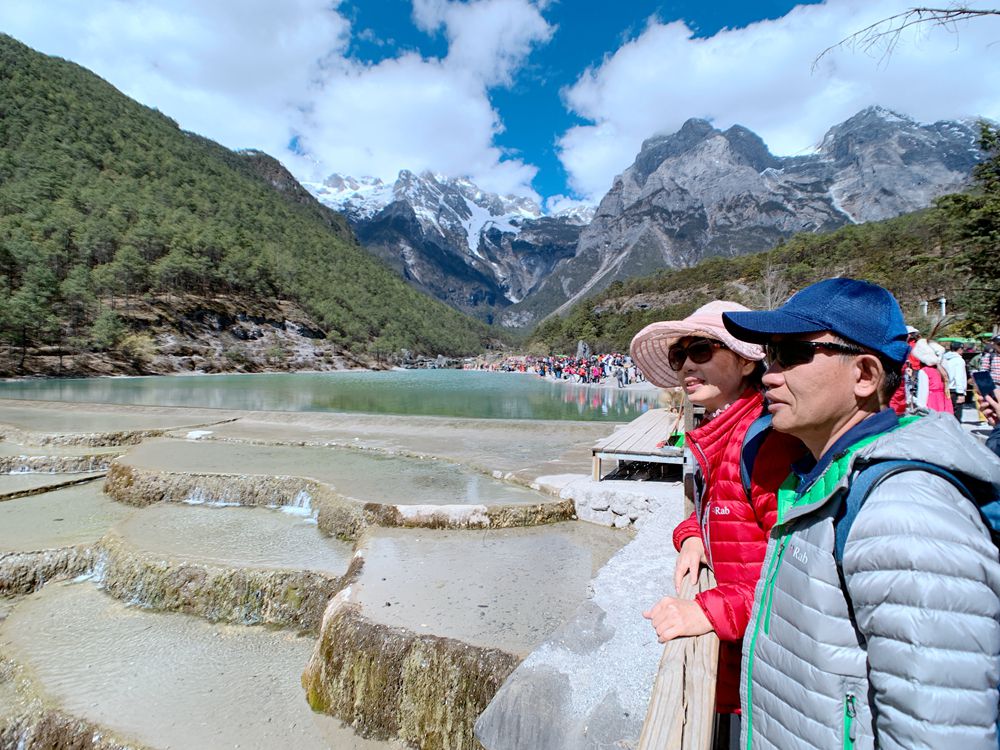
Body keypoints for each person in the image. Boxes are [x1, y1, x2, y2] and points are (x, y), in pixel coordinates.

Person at [720, 278, 1000, 749]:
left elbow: (938, 731)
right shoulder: (817, 478)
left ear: (865, 375)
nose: (769, 373)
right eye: (769, 354)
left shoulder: (905, 511)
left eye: (790, 354)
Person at [630, 301, 803, 742]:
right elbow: (714, 510)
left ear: (747, 361)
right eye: (679, 355)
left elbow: (796, 577)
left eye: (702, 350)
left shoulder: (765, 444)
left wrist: (704, 608)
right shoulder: (724, 433)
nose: (687, 364)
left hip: (767, 686)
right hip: (741, 667)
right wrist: (691, 536)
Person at [910, 338, 953, 414]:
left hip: (932, 401)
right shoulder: (942, 369)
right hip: (944, 399)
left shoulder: (925, 371)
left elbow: (923, 392)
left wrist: (921, 407)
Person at [942, 340, 969, 419]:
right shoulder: (959, 360)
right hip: (955, 390)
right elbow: (959, 377)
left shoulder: (944, 359)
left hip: (945, 389)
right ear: (960, 349)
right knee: (956, 415)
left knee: (947, 413)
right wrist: (961, 393)